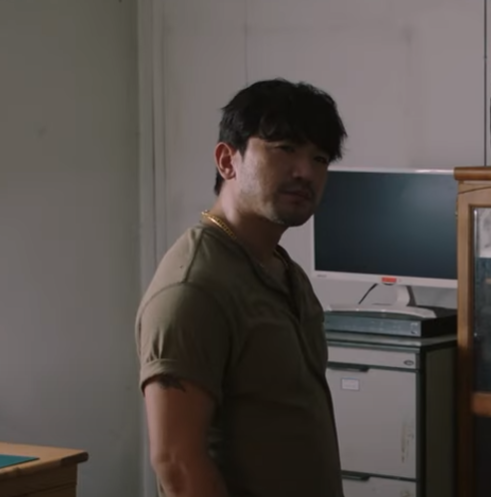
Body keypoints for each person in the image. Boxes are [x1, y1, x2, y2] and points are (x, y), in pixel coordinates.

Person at [135, 78, 347, 497]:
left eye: (320, 158)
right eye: (284, 149)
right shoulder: (194, 288)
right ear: (227, 161)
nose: (306, 172)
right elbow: (177, 464)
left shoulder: (284, 272)